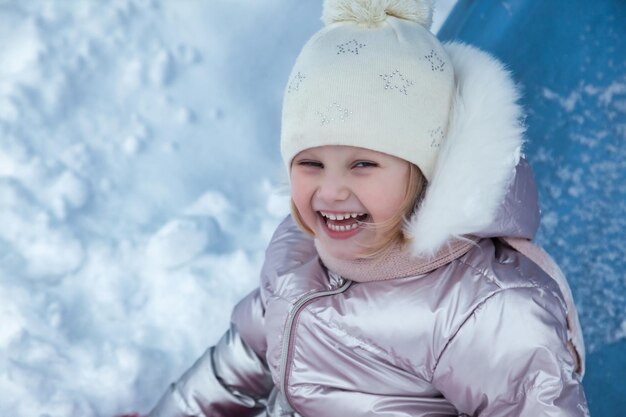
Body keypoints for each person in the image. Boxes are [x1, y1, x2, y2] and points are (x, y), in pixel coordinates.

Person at [146, 0, 589, 415]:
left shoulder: (481, 308)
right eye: (311, 163)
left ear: (423, 172)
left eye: (363, 164)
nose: (332, 190)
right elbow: (242, 356)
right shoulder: (299, 253)